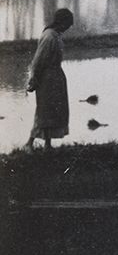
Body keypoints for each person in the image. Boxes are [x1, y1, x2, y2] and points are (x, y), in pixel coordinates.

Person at [25, 8, 74, 151]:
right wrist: (34, 79)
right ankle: (29, 143)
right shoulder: (49, 37)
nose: (67, 28)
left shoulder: (55, 35)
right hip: (47, 79)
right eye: (67, 24)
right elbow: (38, 61)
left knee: (53, 111)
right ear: (61, 22)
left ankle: (47, 144)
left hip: (55, 78)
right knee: (44, 111)